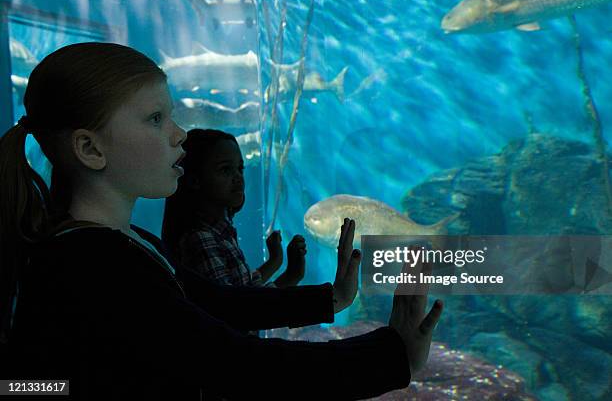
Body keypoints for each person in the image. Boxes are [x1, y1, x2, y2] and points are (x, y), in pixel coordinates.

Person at [0, 42, 443, 400]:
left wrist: (330, 297)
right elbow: (240, 366)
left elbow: (223, 302)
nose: (180, 134)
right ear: (91, 150)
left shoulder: (125, 241)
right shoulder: (92, 266)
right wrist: (393, 355)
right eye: (157, 119)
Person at [162, 128, 305, 289]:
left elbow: (243, 288)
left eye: (240, 168)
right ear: (195, 180)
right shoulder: (200, 240)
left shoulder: (219, 232)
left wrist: (275, 261)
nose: (238, 177)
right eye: (225, 169)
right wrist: (292, 276)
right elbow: (236, 309)